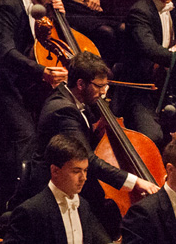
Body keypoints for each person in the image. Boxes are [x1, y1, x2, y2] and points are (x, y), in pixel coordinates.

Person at [16, 51, 158, 231]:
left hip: (74, 185)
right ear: (81, 84)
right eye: (99, 86)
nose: (103, 92)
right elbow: (87, 158)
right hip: (53, 191)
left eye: (106, 86)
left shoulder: (72, 99)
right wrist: (135, 182)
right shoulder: (63, 110)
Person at [0, 133, 124, 244]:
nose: (83, 178)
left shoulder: (83, 206)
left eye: (85, 170)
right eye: (76, 171)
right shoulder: (31, 210)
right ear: (55, 171)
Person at [0, 0, 66, 214]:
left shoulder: (39, 7)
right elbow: (5, 52)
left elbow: (44, 45)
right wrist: (42, 72)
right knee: (26, 136)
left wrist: (58, 17)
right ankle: (19, 207)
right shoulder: (5, 4)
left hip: (19, 81)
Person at [113, 0, 176, 150]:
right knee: (153, 137)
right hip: (140, 89)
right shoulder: (140, 12)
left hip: (168, 85)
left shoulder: (173, 6)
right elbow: (149, 48)